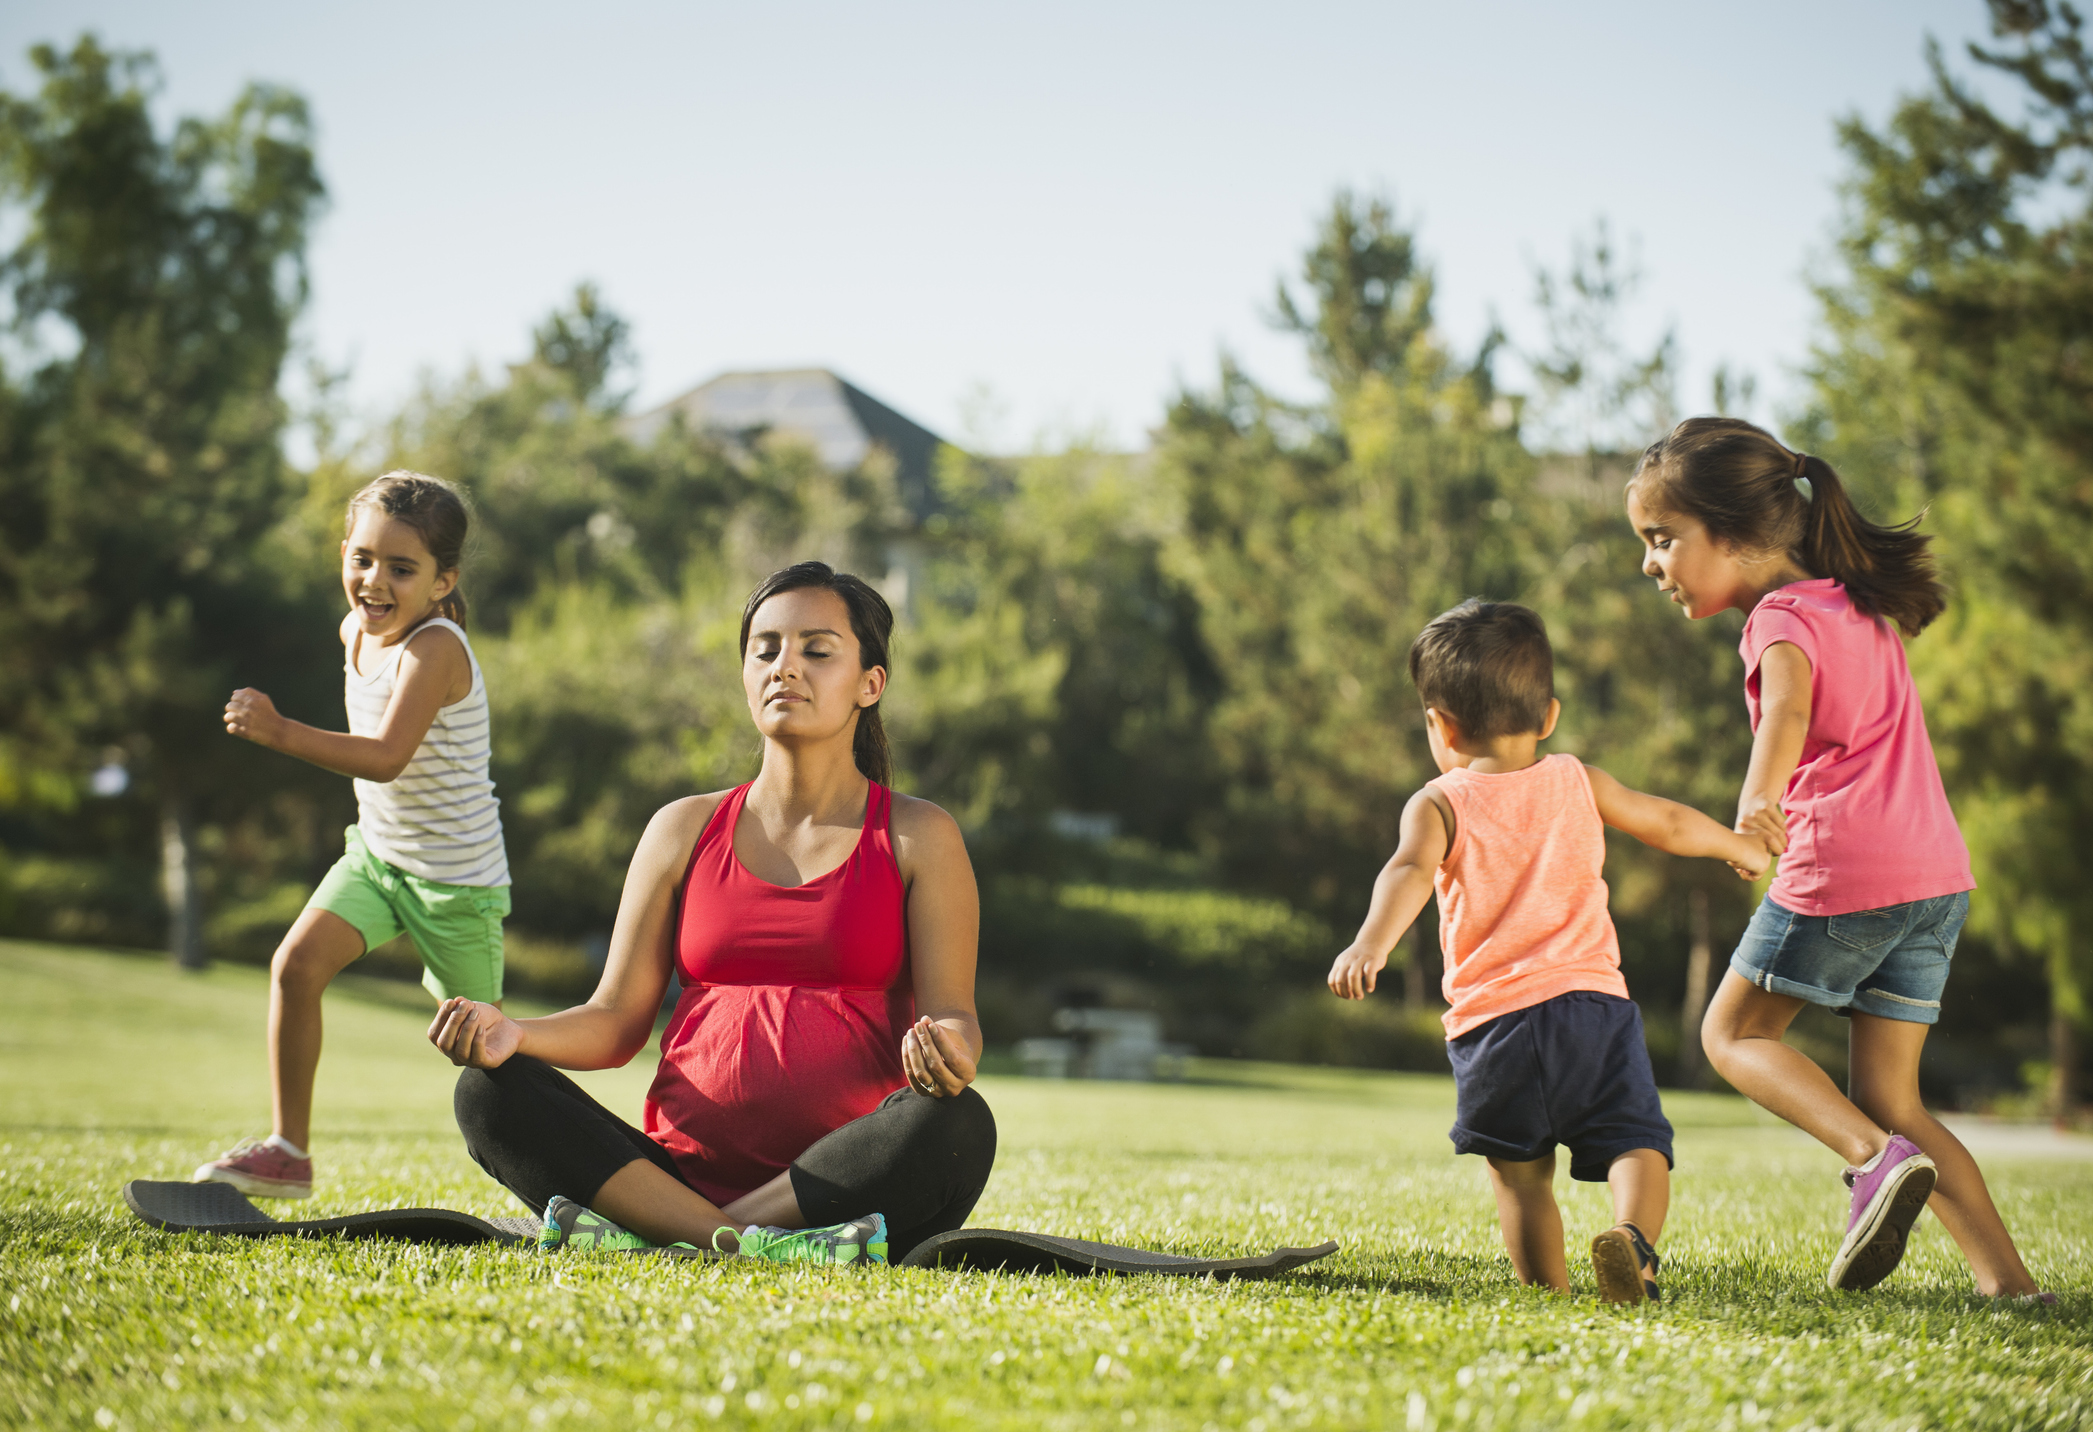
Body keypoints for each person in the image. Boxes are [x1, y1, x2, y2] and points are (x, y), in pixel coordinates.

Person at [426, 561, 996, 1266]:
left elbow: (954, 1015)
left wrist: (950, 1052)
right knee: (489, 1094)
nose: (785, 667)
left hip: (836, 1187)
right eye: (766, 649)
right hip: (669, 1175)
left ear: (869, 684)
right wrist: (512, 1032)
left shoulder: (917, 835)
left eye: (817, 650)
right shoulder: (681, 827)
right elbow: (613, 1023)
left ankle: (683, 1237)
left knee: (956, 1125)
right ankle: (742, 1243)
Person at [1628, 416, 2048, 1299]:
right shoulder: (1855, 605)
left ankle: (1869, 1162)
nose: (1649, 564)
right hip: (1933, 879)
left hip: (1844, 871)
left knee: (1731, 1034)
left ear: (1735, 537)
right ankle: (2007, 1283)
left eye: (1663, 540)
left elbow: (1784, 709)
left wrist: (1757, 803)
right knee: (1895, 1097)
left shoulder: (1778, 617)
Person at [1328, 599, 1769, 1303]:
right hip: (1592, 1005)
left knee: (1519, 1176)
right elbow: (1665, 821)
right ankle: (1632, 1242)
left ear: (1439, 726)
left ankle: (1549, 1293)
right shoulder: (1576, 780)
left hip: (1494, 1024)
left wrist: (1369, 942)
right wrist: (1737, 845)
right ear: (1549, 715)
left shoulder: (1439, 802)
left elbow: (1407, 871)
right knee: (1637, 1142)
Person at [197, 471, 510, 1201]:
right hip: (377, 858)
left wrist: (278, 732)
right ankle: (289, 1151)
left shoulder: (436, 649)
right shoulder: (354, 632)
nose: (374, 582)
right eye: (362, 560)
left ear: (443, 582)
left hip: (455, 883)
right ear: (343, 552)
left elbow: (386, 756)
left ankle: (580, 1175)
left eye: (401, 569)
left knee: (494, 1054)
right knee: (295, 966)